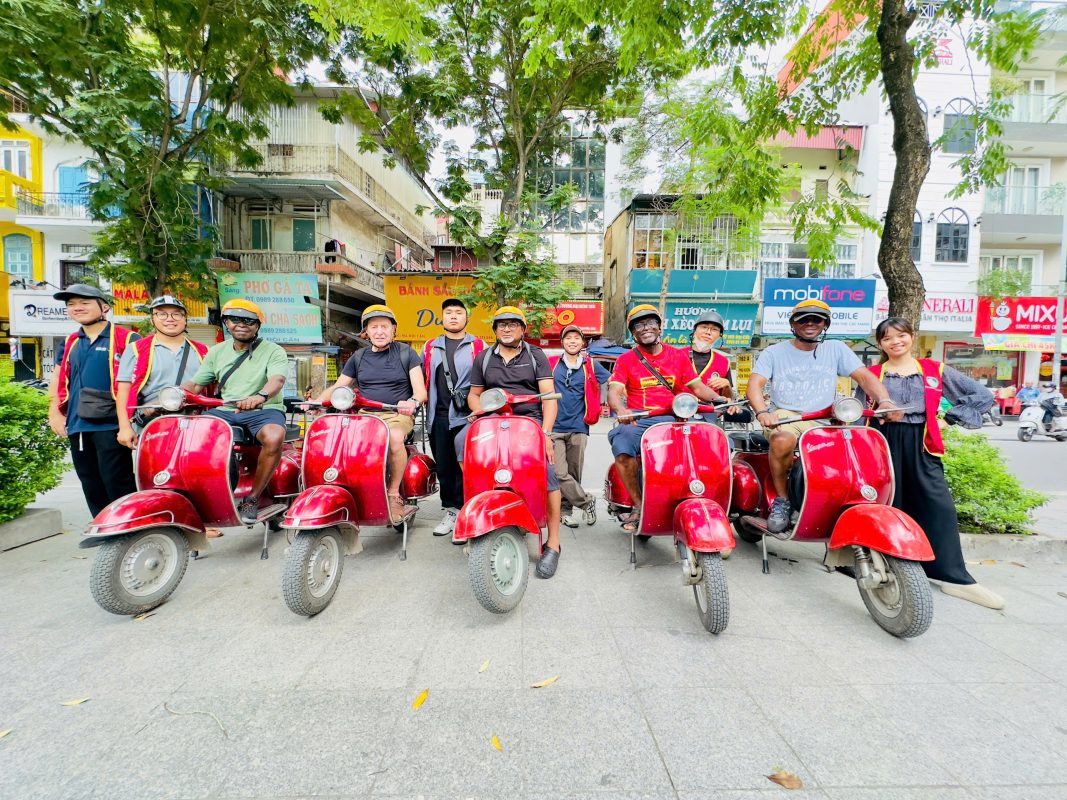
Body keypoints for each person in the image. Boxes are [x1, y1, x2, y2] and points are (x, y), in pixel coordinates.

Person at [860, 317, 1004, 610]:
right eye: (887, 338)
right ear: (880, 344)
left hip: (923, 442)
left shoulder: (934, 370)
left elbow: (981, 395)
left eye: (901, 335)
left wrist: (950, 418)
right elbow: (858, 410)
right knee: (890, 503)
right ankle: (891, 566)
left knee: (938, 505)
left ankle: (953, 576)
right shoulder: (872, 374)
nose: (895, 342)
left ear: (912, 336)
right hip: (882, 443)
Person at [745, 298, 900, 533]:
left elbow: (864, 377)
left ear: (825, 324)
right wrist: (763, 412)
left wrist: (885, 400)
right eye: (803, 319)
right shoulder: (774, 352)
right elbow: (754, 385)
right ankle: (783, 501)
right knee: (782, 438)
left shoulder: (836, 348)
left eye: (816, 319)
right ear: (793, 324)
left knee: (855, 450)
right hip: (787, 416)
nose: (810, 323)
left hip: (825, 420)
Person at [607, 304, 725, 532]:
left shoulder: (678, 356)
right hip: (642, 418)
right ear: (633, 333)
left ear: (659, 327)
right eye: (639, 325)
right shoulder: (626, 360)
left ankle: (708, 500)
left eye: (651, 322)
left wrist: (721, 400)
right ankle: (639, 504)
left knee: (710, 446)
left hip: (675, 417)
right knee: (622, 448)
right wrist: (620, 409)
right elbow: (614, 391)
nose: (646, 328)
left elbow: (698, 387)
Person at [464, 306, 562, 578]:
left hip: (528, 423)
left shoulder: (536, 356)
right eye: (501, 325)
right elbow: (474, 395)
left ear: (522, 329)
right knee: (467, 454)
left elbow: (549, 398)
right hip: (493, 421)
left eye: (512, 324)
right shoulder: (484, 357)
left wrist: (546, 434)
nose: (506, 329)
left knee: (548, 473)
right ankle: (477, 516)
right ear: (495, 330)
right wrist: (480, 409)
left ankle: (553, 542)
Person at [183, 299, 289, 525]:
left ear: (257, 326)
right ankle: (207, 491)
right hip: (225, 410)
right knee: (192, 434)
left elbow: (277, 380)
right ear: (226, 323)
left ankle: (252, 498)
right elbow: (196, 384)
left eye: (248, 321)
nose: (242, 324)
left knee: (274, 437)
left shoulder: (274, 350)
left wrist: (260, 396)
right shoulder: (216, 351)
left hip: (264, 409)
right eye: (235, 319)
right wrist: (171, 397)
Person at [319, 305, 427, 524]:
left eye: (384, 327)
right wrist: (316, 401)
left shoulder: (407, 353)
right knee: (338, 441)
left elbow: (421, 392)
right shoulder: (358, 357)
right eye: (374, 327)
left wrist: (412, 402)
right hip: (365, 416)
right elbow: (339, 386)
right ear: (366, 332)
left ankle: (393, 493)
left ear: (393, 329)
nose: (379, 332)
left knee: (394, 437)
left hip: (397, 415)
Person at [47, 284, 140, 517]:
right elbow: (58, 376)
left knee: (117, 480)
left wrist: (128, 424)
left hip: (111, 423)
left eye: (84, 302)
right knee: (90, 481)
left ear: (104, 307)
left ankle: (129, 527)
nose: (77, 307)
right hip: (77, 423)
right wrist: (54, 411)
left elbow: (139, 380)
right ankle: (102, 526)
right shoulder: (70, 341)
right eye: (71, 304)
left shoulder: (127, 338)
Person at [422, 298, 486, 539]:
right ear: (442, 318)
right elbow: (423, 379)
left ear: (466, 318)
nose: (453, 316)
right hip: (438, 415)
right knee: (445, 467)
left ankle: (467, 510)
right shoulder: (430, 347)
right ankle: (451, 510)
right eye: (448, 312)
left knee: (468, 467)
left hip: (469, 417)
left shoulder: (478, 345)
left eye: (459, 312)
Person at [116, 295, 209, 448]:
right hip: (152, 424)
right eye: (162, 314)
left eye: (176, 314)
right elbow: (124, 390)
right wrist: (124, 427)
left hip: (195, 425)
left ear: (185, 319)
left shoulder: (203, 351)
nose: (170, 319)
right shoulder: (136, 349)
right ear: (152, 319)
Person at [549, 324, 611, 528]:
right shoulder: (552, 364)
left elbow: (612, 380)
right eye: (568, 338)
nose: (572, 341)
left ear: (582, 342)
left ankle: (566, 512)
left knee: (574, 473)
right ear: (562, 342)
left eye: (576, 338)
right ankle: (587, 502)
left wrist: (609, 401)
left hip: (579, 426)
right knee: (558, 473)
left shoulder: (590, 364)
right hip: (555, 427)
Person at [688, 309, 747, 422]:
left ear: (720, 335)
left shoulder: (723, 362)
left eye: (714, 329)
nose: (708, 332)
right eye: (704, 327)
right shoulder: (676, 355)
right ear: (695, 330)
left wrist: (727, 385)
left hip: (710, 416)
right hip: (679, 412)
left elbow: (728, 399)